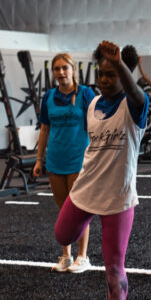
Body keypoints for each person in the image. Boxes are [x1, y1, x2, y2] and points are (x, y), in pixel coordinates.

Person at [54, 41, 148, 300]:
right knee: (62, 234)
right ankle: (85, 239)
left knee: (114, 267)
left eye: (112, 74)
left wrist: (119, 62)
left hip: (118, 198)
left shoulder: (136, 106)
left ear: (126, 75)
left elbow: (135, 93)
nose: (104, 79)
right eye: (101, 73)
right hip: (85, 188)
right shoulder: (93, 105)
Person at [34, 53, 95, 273]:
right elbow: (44, 129)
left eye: (64, 68)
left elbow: (97, 125)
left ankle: (83, 256)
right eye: (57, 69)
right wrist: (39, 159)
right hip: (55, 159)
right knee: (64, 211)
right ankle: (66, 256)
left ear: (73, 70)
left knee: (80, 208)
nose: (61, 72)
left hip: (79, 159)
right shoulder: (48, 97)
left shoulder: (86, 94)